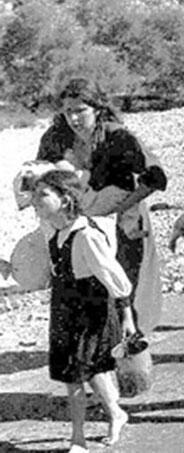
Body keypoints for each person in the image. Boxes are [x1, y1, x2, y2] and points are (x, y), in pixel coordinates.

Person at [37, 77, 167, 339]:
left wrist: (120, 208)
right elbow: (41, 177)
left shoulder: (117, 136)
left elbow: (156, 178)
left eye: (80, 110)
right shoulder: (55, 138)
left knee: (128, 285)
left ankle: (132, 353)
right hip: (79, 225)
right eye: (68, 111)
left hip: (124, 220)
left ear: (96, 108)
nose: (73, 119)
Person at [32, 169, 136, 452]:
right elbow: (41, 273)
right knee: (87, 370)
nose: (34, 200)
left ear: (65, 199)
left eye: (43, 194)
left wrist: (127, 318)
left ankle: (78, 439)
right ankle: (116, 413)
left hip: (90, 312)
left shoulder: (87, 235)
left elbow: (115, 277)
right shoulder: (55, 234)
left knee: (75, 375)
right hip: (64, 309)